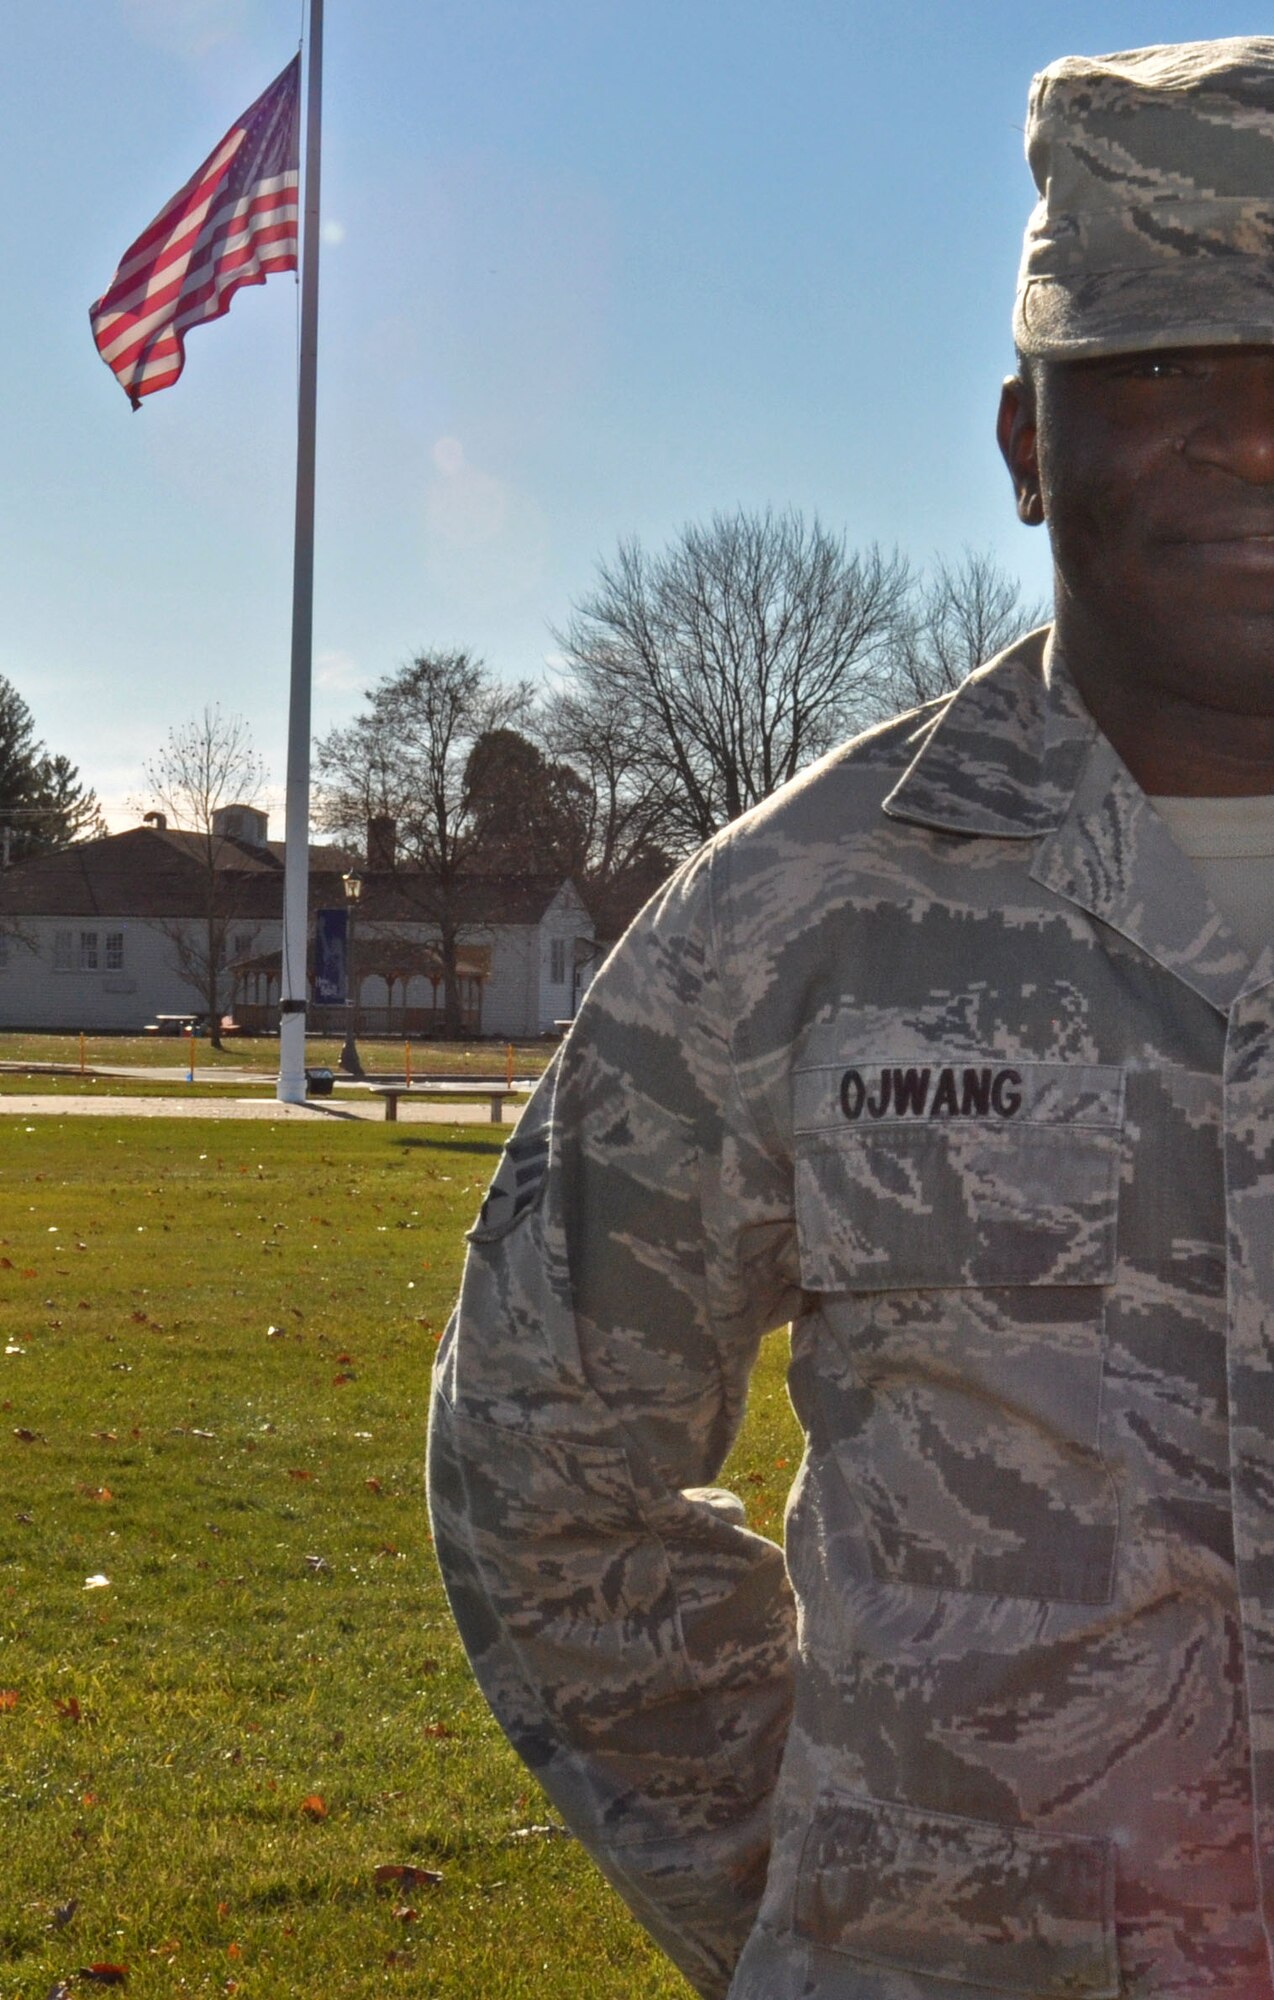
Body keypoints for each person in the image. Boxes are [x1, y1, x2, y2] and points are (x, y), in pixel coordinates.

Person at [429, 37, 1274, 1999]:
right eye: (1153, 370)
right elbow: (544, 1472)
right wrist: (829, 1904)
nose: (1244, 439)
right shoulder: (795, 912)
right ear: (1019, 440)